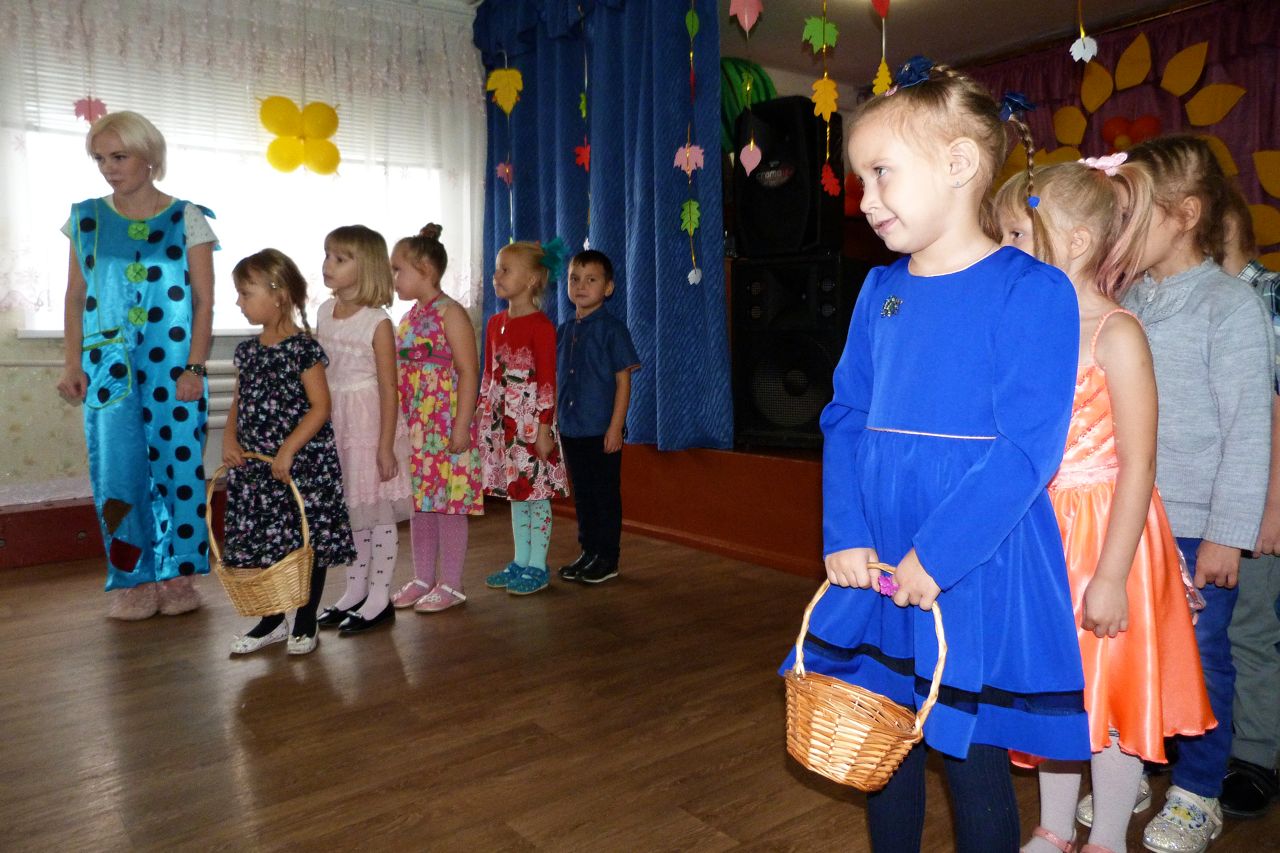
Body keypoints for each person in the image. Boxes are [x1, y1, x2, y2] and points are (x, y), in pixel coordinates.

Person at [778, 57, 1088, 853]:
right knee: (885, 747)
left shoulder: (1033, 291)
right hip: (881, 552)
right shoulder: (879, 289)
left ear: (957, 163)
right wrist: (845, 530)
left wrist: (939, 554)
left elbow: (1026, 449)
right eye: (860, 179)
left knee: (970, 757)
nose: (865, 198)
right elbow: (845, 417)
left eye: (881, 173)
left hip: (970, 560)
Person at [994, 158, 1216, 853]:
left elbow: (1140, 463)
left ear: (1078, 241)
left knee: (1114, 692)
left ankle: (1108, 837)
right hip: (1045, 534)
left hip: (1107, 535)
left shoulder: (1117, 332)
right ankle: (1055, 826)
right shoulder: (1028, 327)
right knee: (1059, 690)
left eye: (1016, 235)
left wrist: (1114, 575)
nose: (1004, 250)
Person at [1120, 134, 1273, 853]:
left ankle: (1199, 790)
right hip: (1130, 521)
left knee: (1203, 656)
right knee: (1130, 648)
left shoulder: (1229, 305)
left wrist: (1226, 533)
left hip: (1194, 526)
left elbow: (1248, 430)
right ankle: (1130, 767)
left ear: (1185, 214)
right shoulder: (1128, 297)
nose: (1122, 226)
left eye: (1135, 212)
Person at [56, 110, 216, 620]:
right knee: (117, 474)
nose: (108, 167)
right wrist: (71, 364)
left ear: (149, 158)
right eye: (100, 158)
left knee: (179, 469)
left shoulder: (187, 217)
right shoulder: (85, 219)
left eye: (119, 156)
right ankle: (133, 578)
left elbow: (205, 302)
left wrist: (196, 368)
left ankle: (178, 575)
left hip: (175, 369)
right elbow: (74, 297)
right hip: (107, 371)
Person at [221, 249, 357, 655]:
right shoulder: (247, 351)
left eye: (246, 294)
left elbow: (320, 407)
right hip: (258, 467)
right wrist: (230, 440)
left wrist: (288, 451)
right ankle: (272, 620)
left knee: (305, 541)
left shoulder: (302, 349)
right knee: (265, 540)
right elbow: (240, 402)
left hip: (301, 465)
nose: (239, 302)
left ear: (278, 295)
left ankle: (305, 618)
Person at [310, 225, 412, 635]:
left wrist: (386, 446)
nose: (328, 264)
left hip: (370, 425)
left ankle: (379, 596)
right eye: (327, 255)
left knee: (378, 510)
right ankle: (354, 591)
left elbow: (389, 387)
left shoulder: (378, 322)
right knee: (353, 510)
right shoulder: (324, 311)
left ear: (365, 267)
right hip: (337, 421)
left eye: (340, 258)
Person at [1217, 196, 1280, 820]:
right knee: (1212, 629)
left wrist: (1271, 506)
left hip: (1259, 497)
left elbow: (1276, 408)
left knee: (1252, 630)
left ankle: (1256, 755)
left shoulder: (1267, 296)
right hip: (1211, 499)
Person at [387, 224, 483, 613]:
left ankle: (452, 584)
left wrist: (461, 426)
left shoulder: (451, 313)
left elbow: (468, 371)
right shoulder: (408, 318)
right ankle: (423, 577)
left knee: (449, 503)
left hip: (445, 425)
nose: (394, 278)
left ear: (425, 270)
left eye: (398, 270)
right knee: (421, 503)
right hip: (417, 428)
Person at [477, 240, 570, 596]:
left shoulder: (541, 326)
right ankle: (520, 560)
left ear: (531, 280)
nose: (496, 275)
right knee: (517, 493)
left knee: (536, 493)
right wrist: (482, 415)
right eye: (496, 269)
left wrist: (544, 429)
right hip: (503, 423)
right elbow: (489, 375)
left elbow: (547, 382)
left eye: (506, 270)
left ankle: (537, 565)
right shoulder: (494, 323)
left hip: (531, 422)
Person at [554, 250, 640, 585]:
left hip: (601, 429)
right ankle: (588, 551)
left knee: (604, 494)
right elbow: (559, 380)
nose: (581, 286)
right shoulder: (564, 330)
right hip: (571, 428)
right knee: (584, 494)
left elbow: (623, 380)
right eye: (574, 279)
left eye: (591, 279)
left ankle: (607, 557)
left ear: (608, 288)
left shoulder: (612, 330)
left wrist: (615, 427)